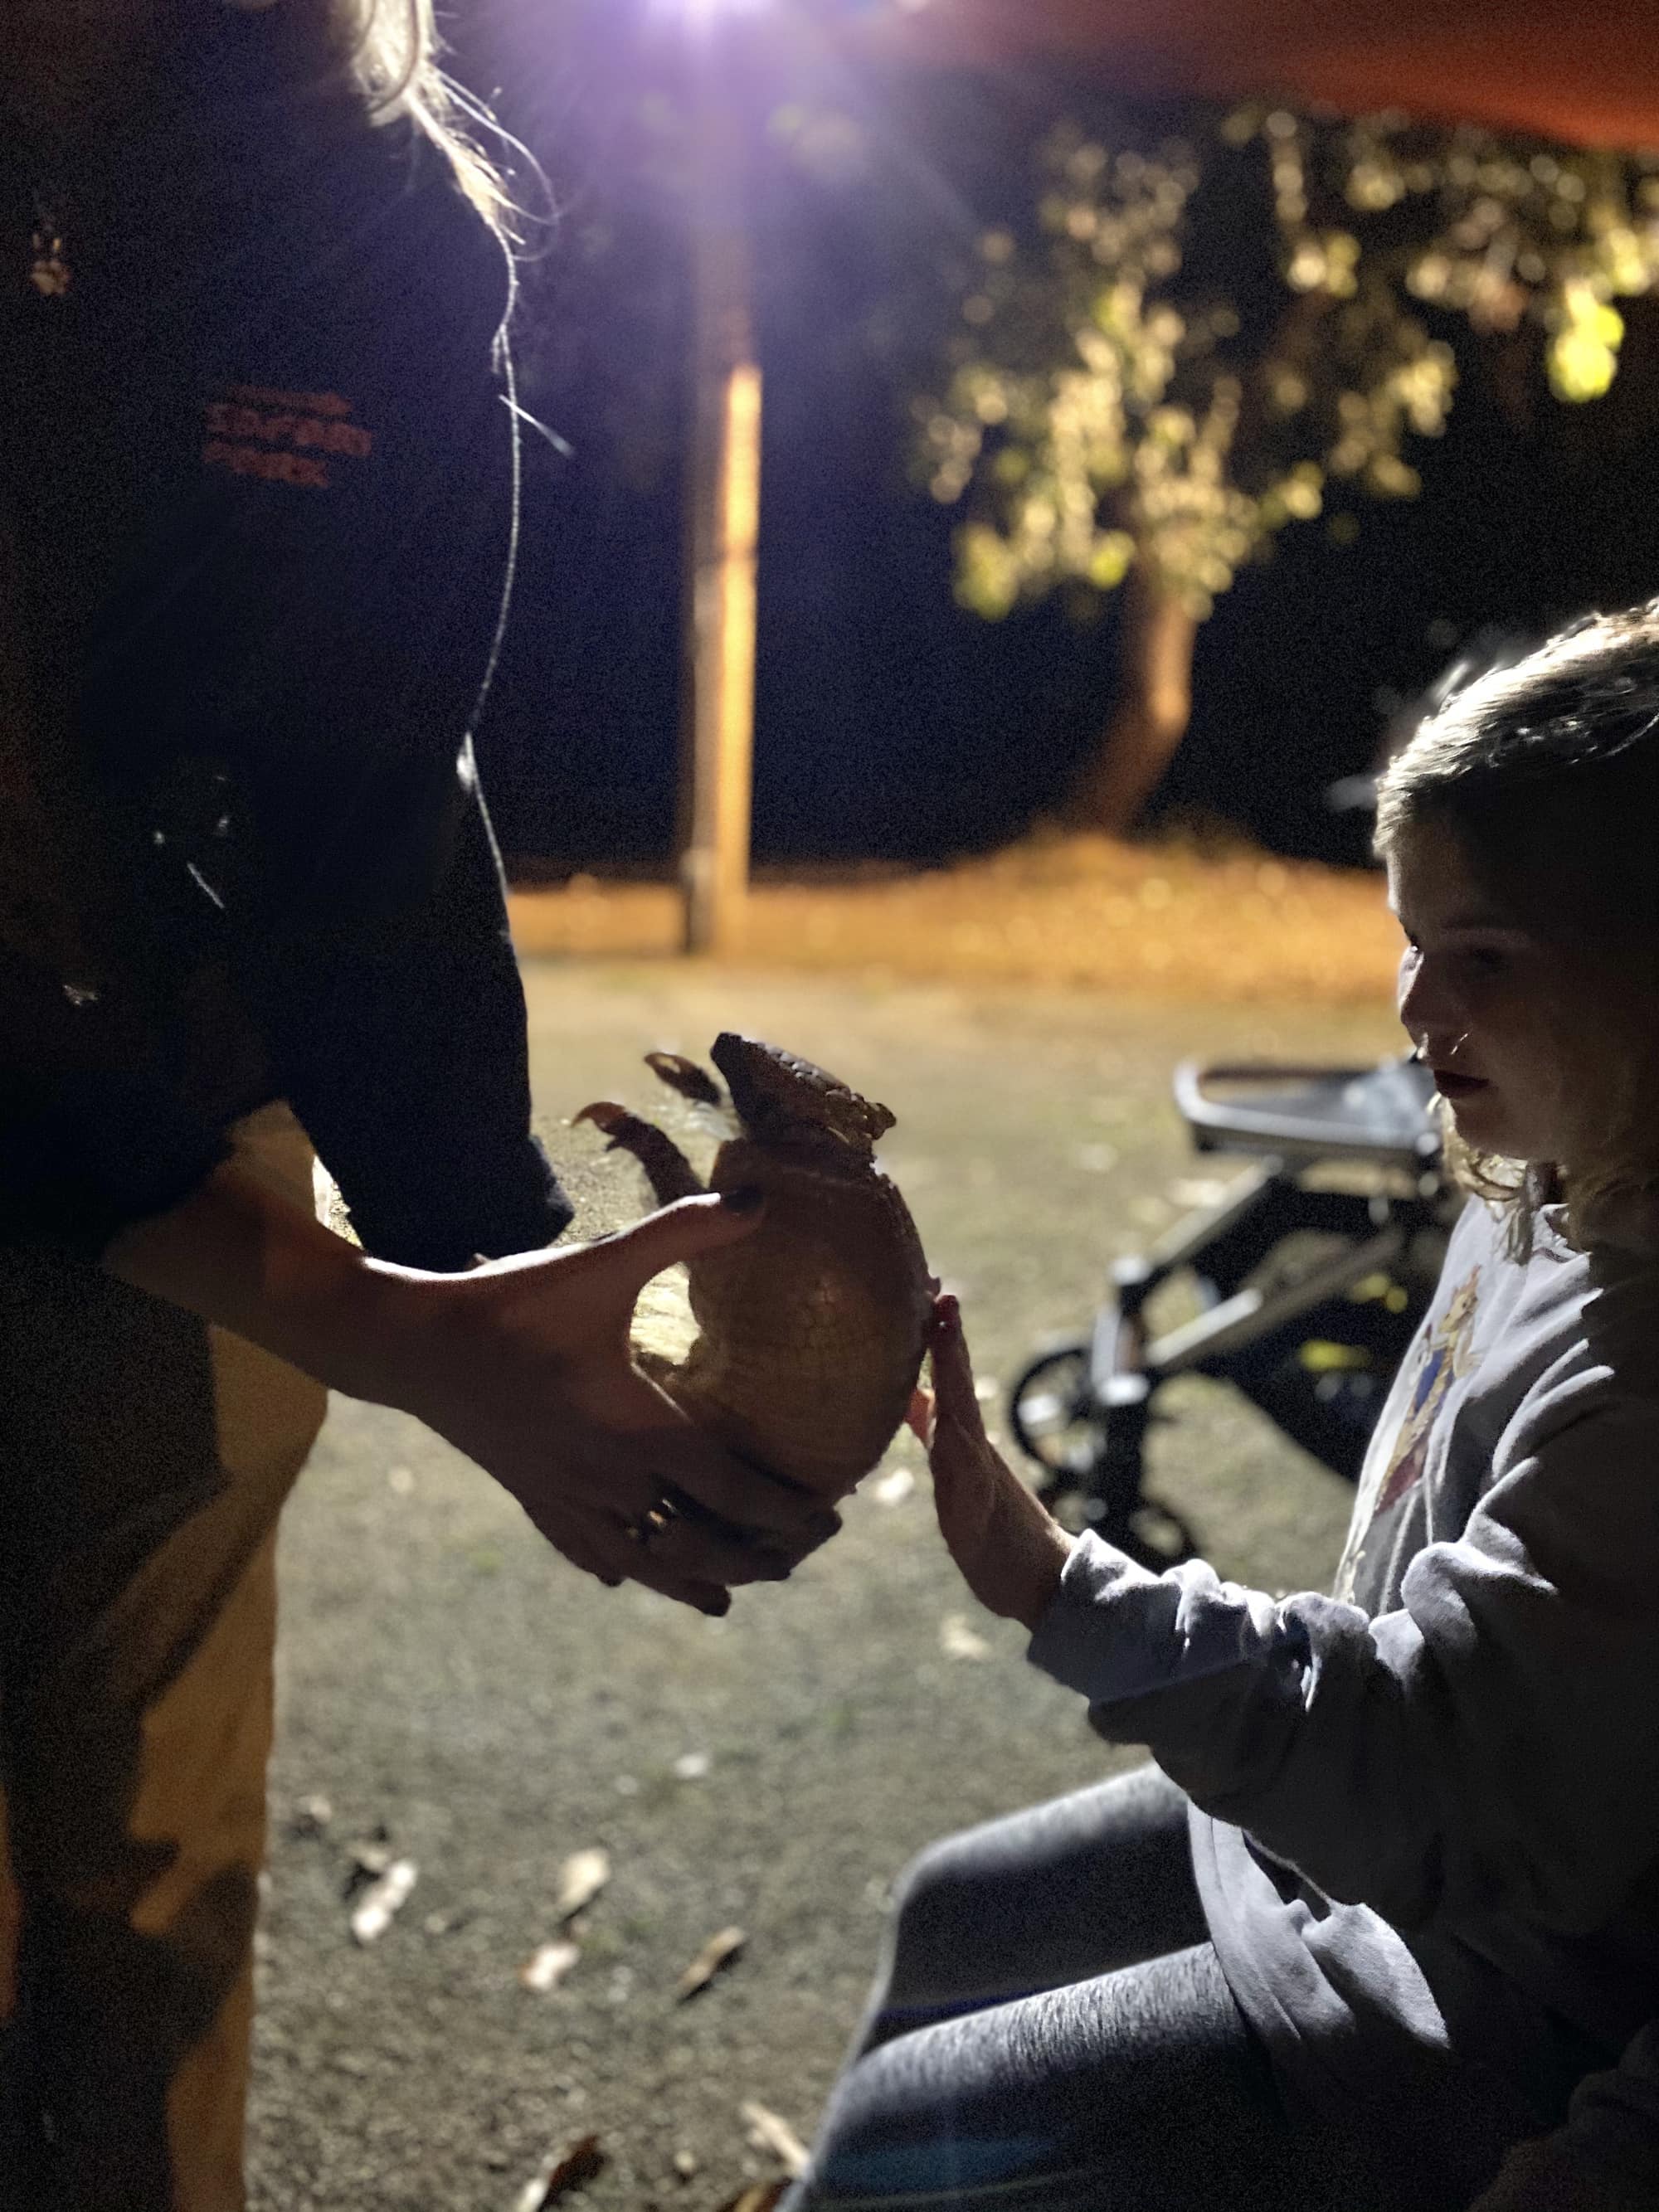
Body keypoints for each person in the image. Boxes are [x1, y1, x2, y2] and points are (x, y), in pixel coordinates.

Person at [0, 4, 830, 2205]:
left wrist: (492, 1249)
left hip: (168, 1120)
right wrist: (373, 1315)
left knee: (144, 1889)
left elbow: (362, 768)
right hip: (122, 1120)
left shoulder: (368, 208)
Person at [786, 602, 1659, 2212]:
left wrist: (1066, 1589)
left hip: (1479, 2006)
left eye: (1482, 958)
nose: (1411, 1008)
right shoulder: (1549, 1162)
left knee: (925, 2138)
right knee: (954, 1909)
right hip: (1377, 1850)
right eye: (1411, 935)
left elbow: (1440, 1761)